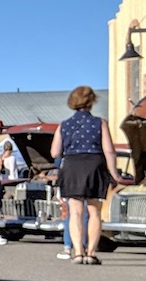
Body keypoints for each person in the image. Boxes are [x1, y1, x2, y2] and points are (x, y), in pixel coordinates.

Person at [49, 86, 120, 264]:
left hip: (72, 166)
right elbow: (109, 151)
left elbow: (55, 152)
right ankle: (91, 253)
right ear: (92, 101)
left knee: (75, 212)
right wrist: (114, 174)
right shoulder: (100, 123)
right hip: (94, 165)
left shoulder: (63, 125)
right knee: (94, 211)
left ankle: (78, 252)